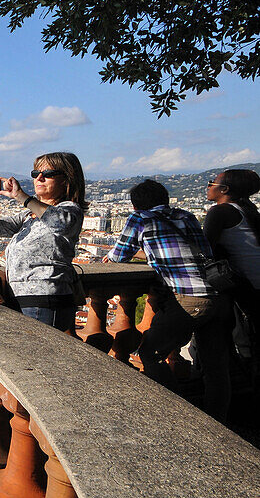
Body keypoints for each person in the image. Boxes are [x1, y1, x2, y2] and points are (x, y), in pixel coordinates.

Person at [104, 179, 232, 421]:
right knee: (216, 367)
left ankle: (177, 414)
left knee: (149, 352)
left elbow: (118, 255)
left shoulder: (140, 218)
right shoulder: (186, 216)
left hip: (190, 298)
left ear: (135, 205)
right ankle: (218, 421)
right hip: (219, 295)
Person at [0, 151, 87, 331]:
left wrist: (22, 197)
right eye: (35, 174)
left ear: (67, 179)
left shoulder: (71, 211)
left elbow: (58, 221)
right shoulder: (28, 216)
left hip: (46, 298)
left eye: (48, 174)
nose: (39, 178)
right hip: (21, 298)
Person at [204, 168, 260, 367]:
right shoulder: (247, 209)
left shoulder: (220, 211)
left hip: (244, 291)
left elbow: (204, 250)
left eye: (212, 182)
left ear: (224, 189)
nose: (209, 186)